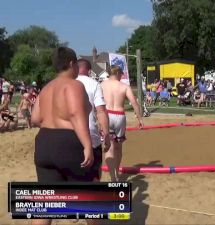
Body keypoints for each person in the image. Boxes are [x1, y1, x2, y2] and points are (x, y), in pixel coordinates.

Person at [31, 47, 97, 225]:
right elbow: (76, 115)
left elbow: (35, 118)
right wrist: (87, 145)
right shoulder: (74, 85)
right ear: (71, 63)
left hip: (44, 141)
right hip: (68, 142)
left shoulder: (46, 88)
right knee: (89, 200)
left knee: (45, 203)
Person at [101, 65, 144, 181]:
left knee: (109, 147)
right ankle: (116, 172)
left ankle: (112, 177)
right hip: (119, 116)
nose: (122, 76)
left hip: (106, 115)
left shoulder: (102, 85)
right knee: (118, 147)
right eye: (121, 74)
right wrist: (140, 119)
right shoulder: (124, 86)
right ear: (118, 73)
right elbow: (134, 103)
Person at [77, 59, 111, 182]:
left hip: (69, 132)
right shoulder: (93, 83)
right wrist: (106, 135)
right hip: (90, 132)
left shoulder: (68, 83)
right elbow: (101, 111)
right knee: (94, 175)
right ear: (89, 71)